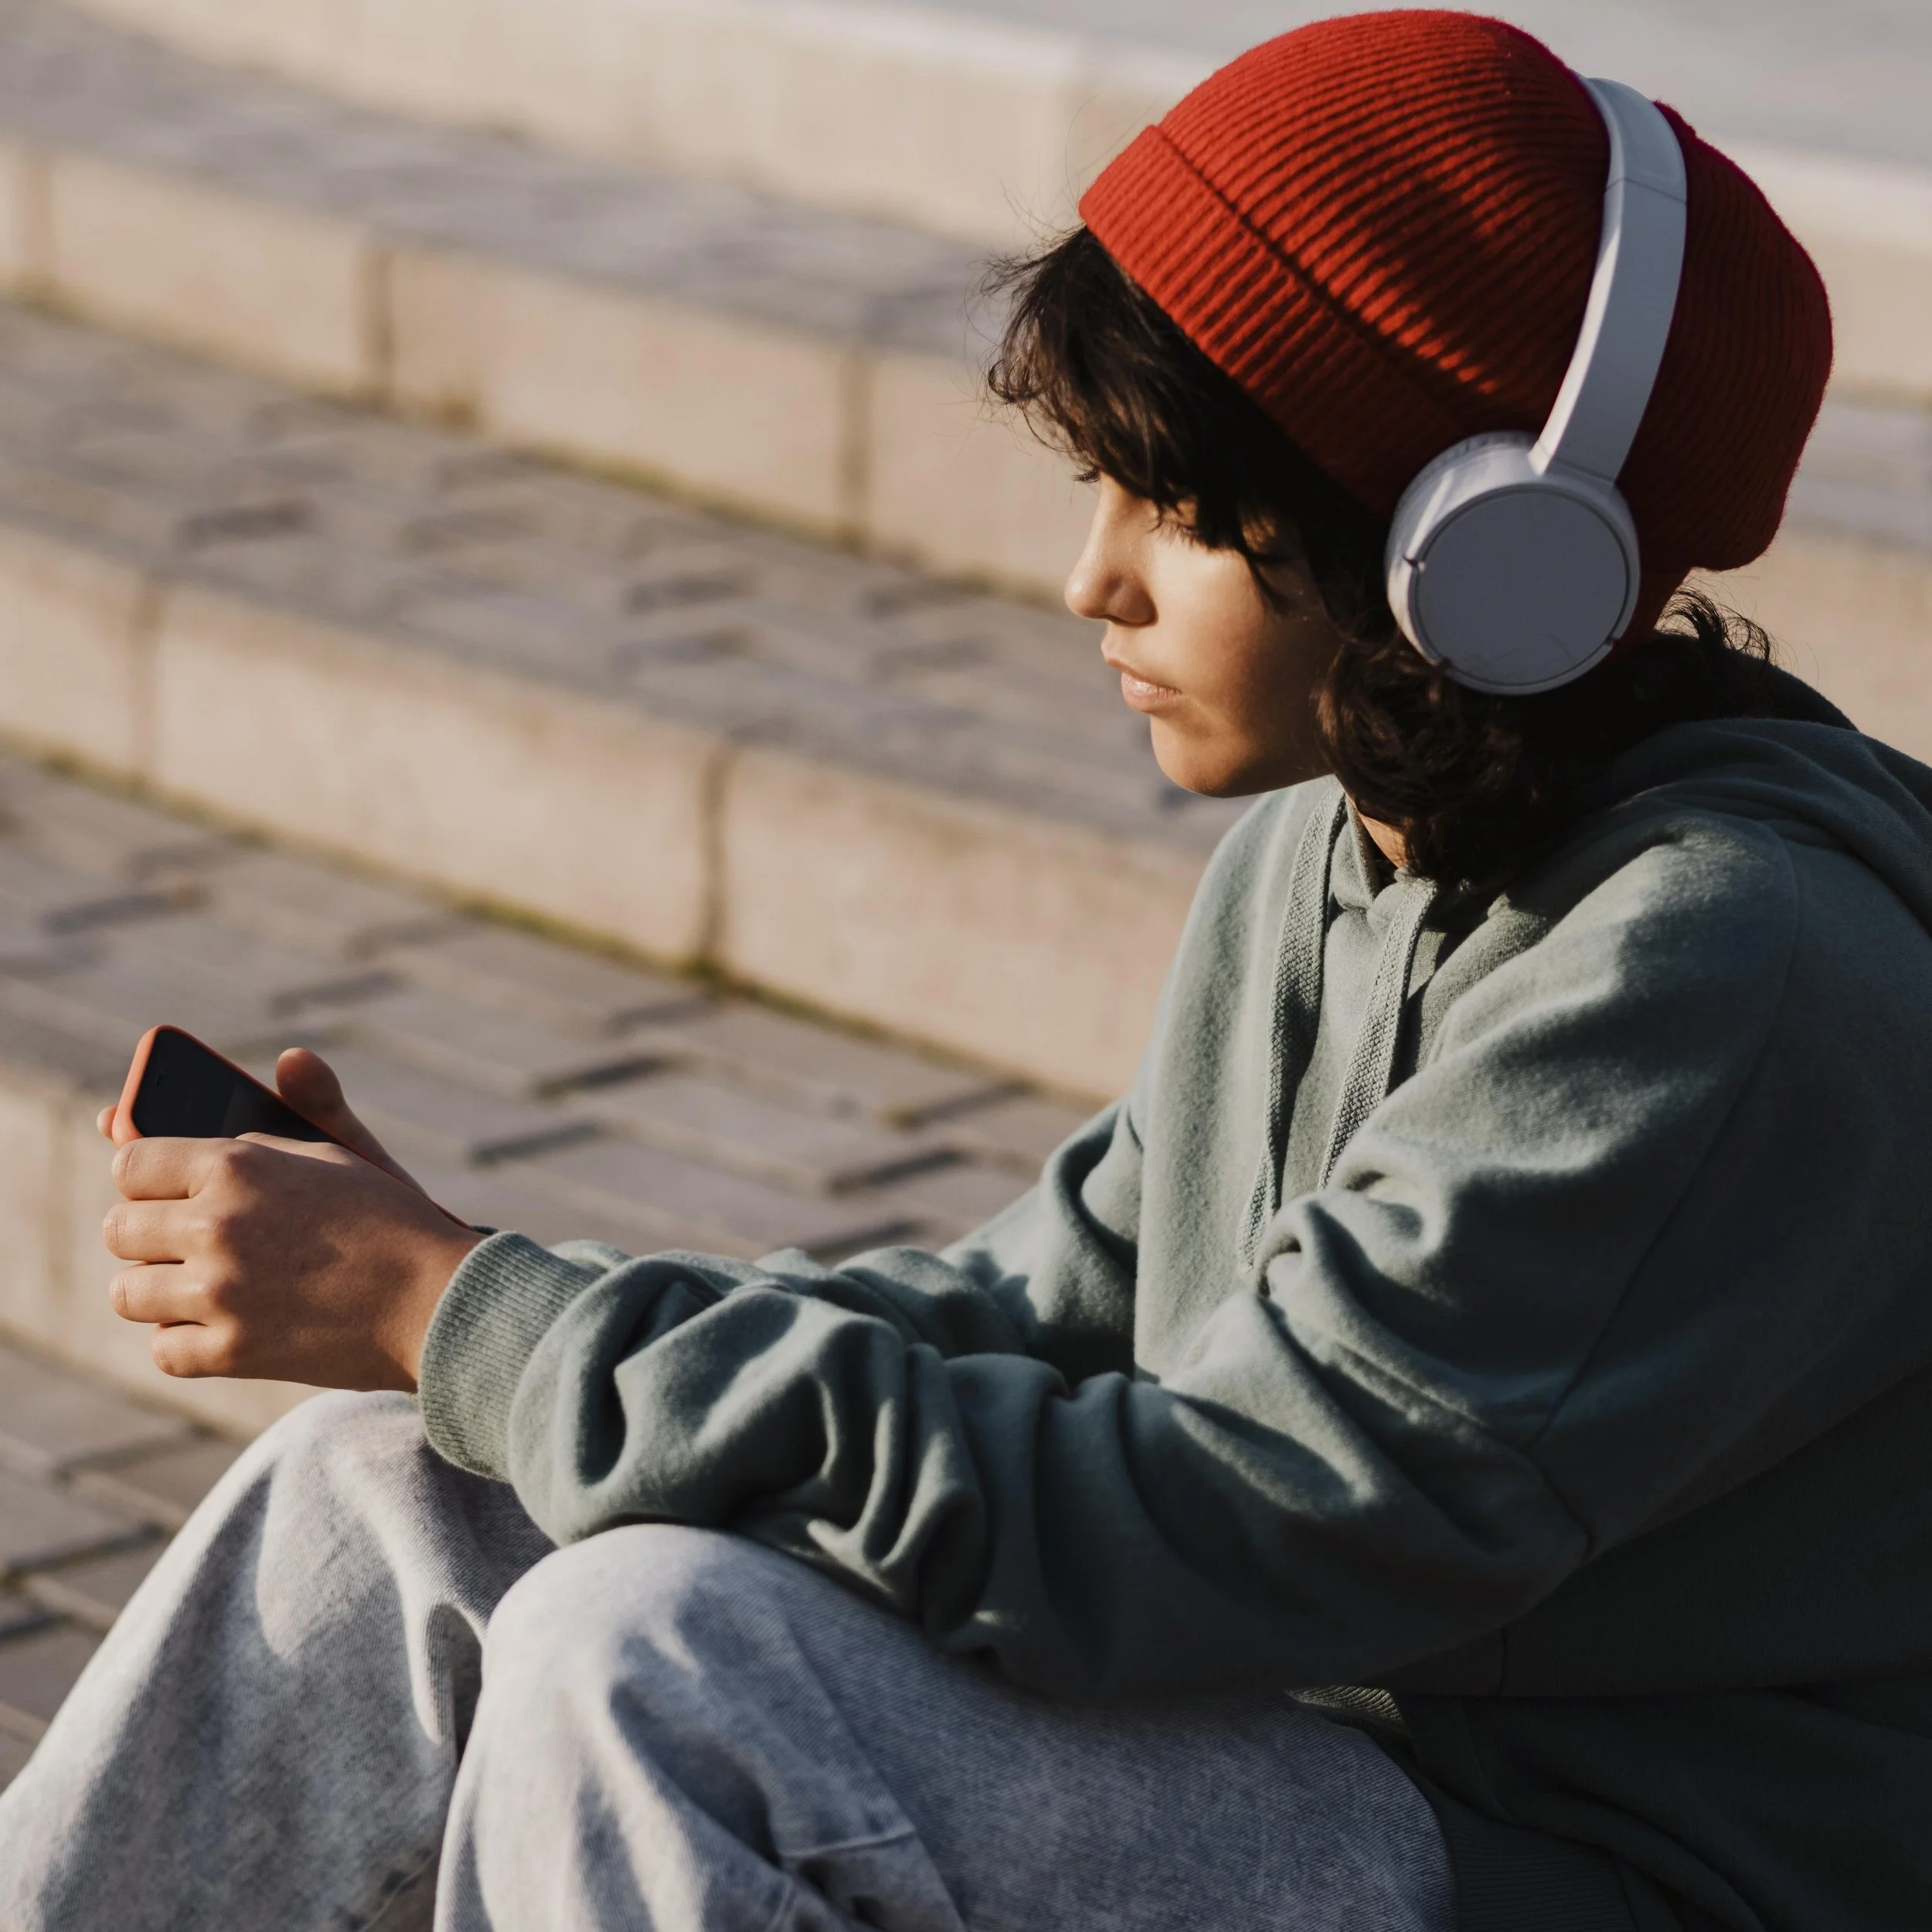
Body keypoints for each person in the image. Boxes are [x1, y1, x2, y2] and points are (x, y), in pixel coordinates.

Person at [2, 10, 1921, 1929]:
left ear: (1478, 553)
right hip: (1313, 1735)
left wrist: (476, 1319)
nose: (1089, 579)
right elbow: (1020, 1310)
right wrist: (464, 1306)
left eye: (1171, 508)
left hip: (1576, 1859)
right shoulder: (1335, 853)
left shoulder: (1710, 971)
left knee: (663, 1655)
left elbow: (1192, 1519)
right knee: (385, 1485)